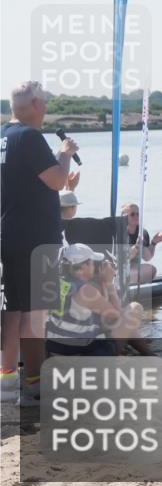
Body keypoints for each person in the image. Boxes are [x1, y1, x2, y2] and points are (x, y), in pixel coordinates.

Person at [1, 81, 78, 403]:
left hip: (10, 232)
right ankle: (35, 381)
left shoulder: (5, 135)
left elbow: (28, 181)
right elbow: (57, 180)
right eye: (44, 102)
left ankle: (7, 381)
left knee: (13, 309)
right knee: (35, 313)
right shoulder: (30, 137)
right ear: (34, 104)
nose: (46, 108)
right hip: (35, 237)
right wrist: (64, 156)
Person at [45, 243, 143, 357]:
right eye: (92, 262)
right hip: (80, 355)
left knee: (107, 324)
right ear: (84, 266)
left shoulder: (57, 283)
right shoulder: (86, 290)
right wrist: (109, 283)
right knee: (135, 308)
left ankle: (149, 354)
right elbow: (118, 316)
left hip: (56, 351)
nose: (95, 266)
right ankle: (150, 355)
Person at [120, 202, 162, 284]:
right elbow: (123, 259)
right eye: (132, 214)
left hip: (134, 271)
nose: (136, 216)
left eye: (138, 214)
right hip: (119, 270)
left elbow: (147, 258)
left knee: (152, 270)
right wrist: (137, 246)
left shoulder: (142, 232)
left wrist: (154, 243)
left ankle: (134, 284)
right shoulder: (119, 233)